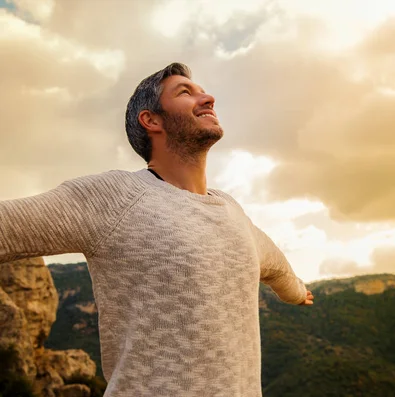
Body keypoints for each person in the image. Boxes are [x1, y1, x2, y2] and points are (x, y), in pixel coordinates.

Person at [0, 62, 314, 397]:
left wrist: (294, 291)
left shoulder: (230, 210)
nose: (208, 98)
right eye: (185, 92)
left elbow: (272, 263)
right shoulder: (114, 197)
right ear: (151, 120)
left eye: (203, 91)